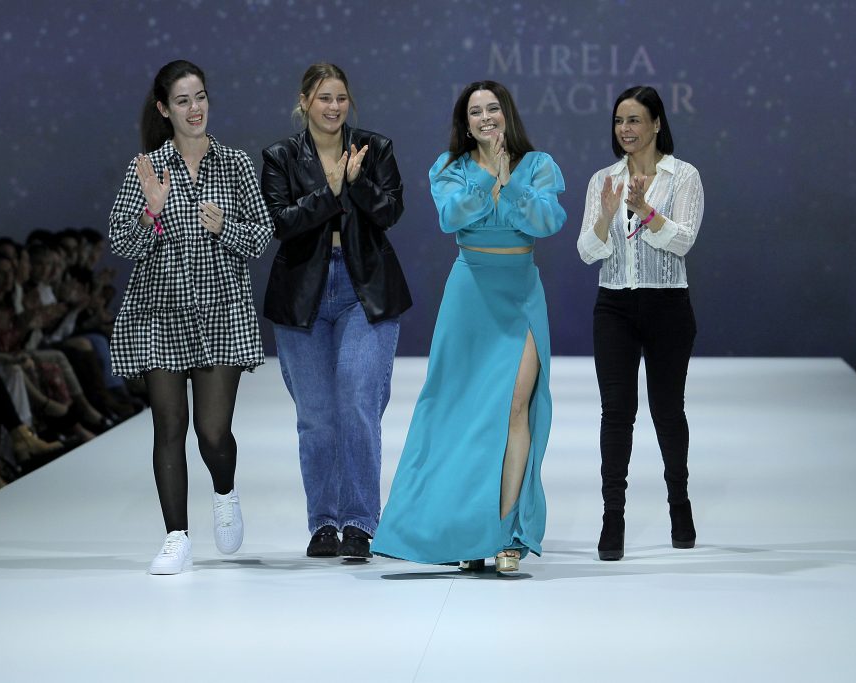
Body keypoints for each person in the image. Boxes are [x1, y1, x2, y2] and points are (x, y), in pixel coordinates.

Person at [373, 81, 566, 573]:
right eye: (475, 112)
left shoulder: (538, 165)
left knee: (516, 405)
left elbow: (548, 223)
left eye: (493, 108)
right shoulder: (450, 167)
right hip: (470, 296)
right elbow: (450, 217)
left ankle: (504, 533)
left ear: (508, 115)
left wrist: (512, 181)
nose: (486, 118)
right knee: (459, 413)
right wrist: (487, 181)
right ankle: (461, 530)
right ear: (465, 123)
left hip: (520, 295)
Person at [108, 60, 273, 575]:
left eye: (200, 96)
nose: (194, 108)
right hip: (160, 311)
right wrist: (149, 211)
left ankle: (224, 490)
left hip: (222, 310)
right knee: (169, 426)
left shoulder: (235, 163)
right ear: (164, 109)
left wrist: (226, 227)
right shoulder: (148, 168)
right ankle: (176, 536)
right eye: (182, 100)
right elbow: (121, 242)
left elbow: (262, 235)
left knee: (212, 433)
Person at [261, 63, 411, 561]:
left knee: (358, 401)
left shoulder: (375, 148)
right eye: (324, 98)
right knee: (318, 418)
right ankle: (323, 522)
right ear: (304, 101)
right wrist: (329, 193)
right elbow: (281, 223)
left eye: (341, 98)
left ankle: (359, 522)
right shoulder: (280, 156)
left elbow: (390, 211)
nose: (333, 107)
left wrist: (356, 182)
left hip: (363, 286)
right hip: (303, 293)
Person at [576, 85, 705, 560]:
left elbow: (683, 241)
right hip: (614, 307)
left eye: (634, 120)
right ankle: (613, 519)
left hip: (668, 306)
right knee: (616, 413)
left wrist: (646, 213)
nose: (625, 130)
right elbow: (587, 253)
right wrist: (607, 215)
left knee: (668, 412)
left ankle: (680, 506)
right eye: (618, 121)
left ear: (656, 123)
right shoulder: (603, 181)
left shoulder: (683, 176)